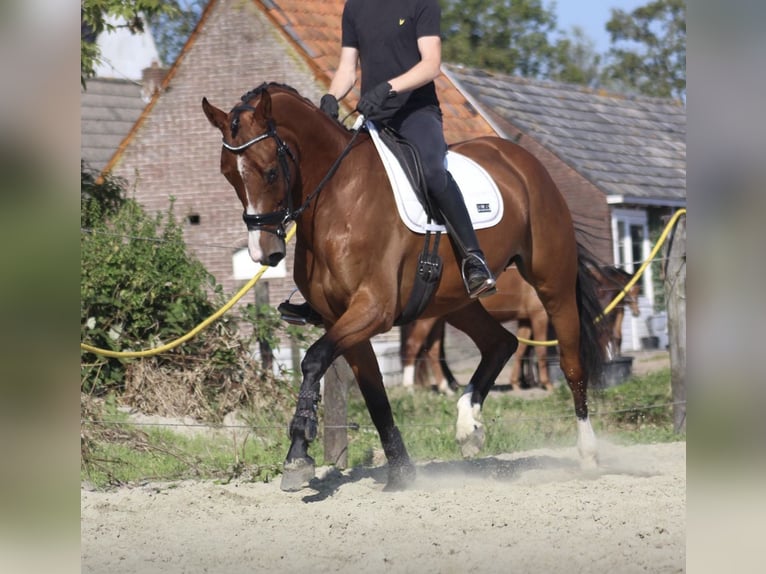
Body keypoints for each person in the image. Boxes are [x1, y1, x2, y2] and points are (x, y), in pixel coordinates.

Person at [279, 0, 495, 325]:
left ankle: (474, 260)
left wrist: (389, 88)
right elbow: (347, 69)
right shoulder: (355, 8)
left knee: (434, 173)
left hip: (416, 115)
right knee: (331, 185)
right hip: (373, 118)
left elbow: (431, 64)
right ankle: (319, 292)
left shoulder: (422, 4)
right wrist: (328, 99)